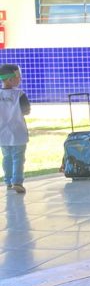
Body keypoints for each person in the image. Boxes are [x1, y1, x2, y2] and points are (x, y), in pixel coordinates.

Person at [0, 64, 30, 194]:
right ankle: (17, 181)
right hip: (18, 131)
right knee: (18, 157)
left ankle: (8, 181)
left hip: (2, 133)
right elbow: (26, 111)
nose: (20, 79)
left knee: (7, 157)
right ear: (9, 79)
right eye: (18, 77)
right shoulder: (20, 94)